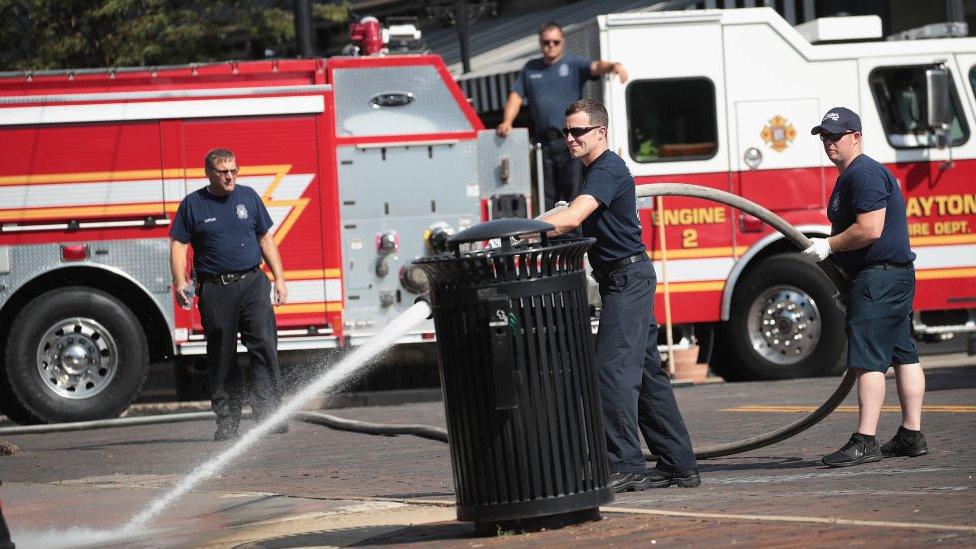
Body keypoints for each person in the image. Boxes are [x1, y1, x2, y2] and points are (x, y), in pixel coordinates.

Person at [542, 99, 699, 492]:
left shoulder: (607, 168)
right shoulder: (594, 171)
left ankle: (625, 463)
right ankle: (679, 464)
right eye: (566, 132)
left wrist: (521, 229)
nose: (570, 139)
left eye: (578, 131)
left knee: (609, 371)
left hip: (628, 279)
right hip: (623, 279)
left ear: (601, 132)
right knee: (647, 377)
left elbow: (573, 218)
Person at [804, 107, 928, 467]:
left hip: (880, 277)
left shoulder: (864, 174)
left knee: (868, 358)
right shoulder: (853, 175)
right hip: (889, 276)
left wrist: (829, 246)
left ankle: (865, 439)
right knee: (902, 352)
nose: (829, 143)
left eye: (836, 136)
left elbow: (870, 229)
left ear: (856, 137)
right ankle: (911, 434)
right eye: (824, 136)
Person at [170, 148, 289, 441]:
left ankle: (268, 414)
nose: (230, 176)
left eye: (234, 170)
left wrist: (280, 279)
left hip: (253, 282)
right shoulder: (193, 205)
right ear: (209, 173)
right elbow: (178, 245)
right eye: (223, 171)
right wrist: (179, 282)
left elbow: (265, 239)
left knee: (263, 345)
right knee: (222, 355)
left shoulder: (248, 197)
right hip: (215, 288)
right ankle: (227, 420)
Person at [496, 21, 628, 211]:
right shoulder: (530, 68)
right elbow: (516, 96)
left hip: (572, 142)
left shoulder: (573, 64)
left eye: (555, 42)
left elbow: (596, 66)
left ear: (562, 42)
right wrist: (507, 121)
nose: (551, 46)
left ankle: (576, 239)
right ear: (540, 43)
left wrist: (613, 66)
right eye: (546, 42)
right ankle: (550, 238)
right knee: (546, 199)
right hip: (544, 144)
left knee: (574, 195)